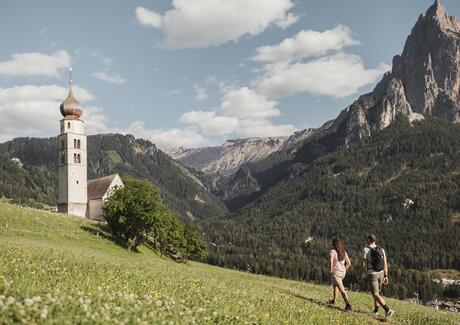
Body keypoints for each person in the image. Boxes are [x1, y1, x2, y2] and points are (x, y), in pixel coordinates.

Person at [361, 234, 395, 320]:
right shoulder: (381, 249)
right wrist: (386, 275)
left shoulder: (365, 249)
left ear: (369, 240)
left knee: (375, 294)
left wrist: (361, 273)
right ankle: (376, 310)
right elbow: (385, 263)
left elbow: (363, 264)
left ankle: (388, 310)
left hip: (372, 274)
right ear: (375, 240)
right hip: (381, 273)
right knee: (378, 292)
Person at [328, 238, 352, 311]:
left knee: (342, 289)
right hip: (343, 273)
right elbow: (349, 263)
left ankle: (348, 305)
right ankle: (334, 300)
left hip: (336, 273)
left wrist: (331, 270)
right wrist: (344, 268)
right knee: (336, 286)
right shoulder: (344, 252)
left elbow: (331, 262)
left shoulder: (333, 252)